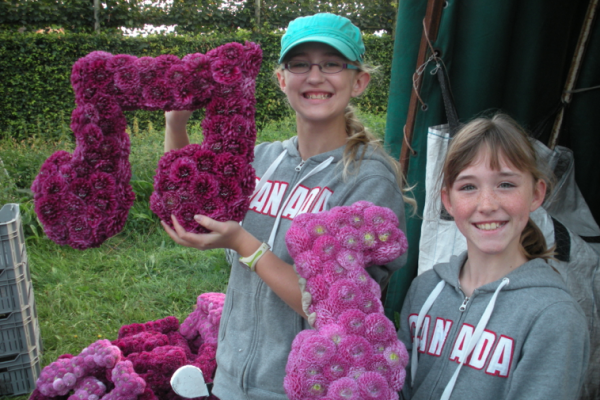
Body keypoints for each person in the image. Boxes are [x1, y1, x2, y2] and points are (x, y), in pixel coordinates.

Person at [162, 13, 409, 400]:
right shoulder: (261, 160)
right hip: (230, 377)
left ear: (358, 81)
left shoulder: (367, 181)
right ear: (281, 79)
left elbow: (335, 308)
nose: (314, 76)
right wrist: (176, 125)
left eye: (331, 63)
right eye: (300, 64)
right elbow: (189, 202)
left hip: (300, 388)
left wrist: (246, 244)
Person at [397, 114, 590, 400]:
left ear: (536, 194)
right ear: (448, 202)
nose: (487, 205)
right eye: (468, 187)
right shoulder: (425, 289)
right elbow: (396, 385)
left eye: (506, 184)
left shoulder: (554, 315)